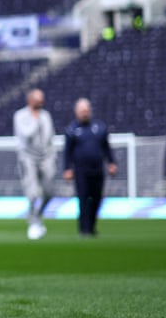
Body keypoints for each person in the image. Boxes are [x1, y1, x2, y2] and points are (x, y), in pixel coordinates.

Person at [62, 97, 116, 237]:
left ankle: (92, 226)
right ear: (76, 112)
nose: (84, 113)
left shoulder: (99, 128)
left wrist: (111, 163)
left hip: (98, 169)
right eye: (82, 111)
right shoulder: (72, 130)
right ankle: (84, 229)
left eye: (86, 110)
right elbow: (67, 151)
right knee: (83, 199)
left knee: (97, 198)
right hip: (81, 171)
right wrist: (67, 168)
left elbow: (107, 147)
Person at [13, 88, 57, 240]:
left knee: (50, 192)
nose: (41, 102)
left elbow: (50, 137)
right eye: (38, 99)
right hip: (28, 158)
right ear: (30, 100)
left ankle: (37, 215)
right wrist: (36, 121)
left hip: (46, 157)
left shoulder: (46, 116)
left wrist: (52, 156)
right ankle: (33, 223)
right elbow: (26, 135)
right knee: (32, 194)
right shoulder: (20, 116)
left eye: (42, 98)